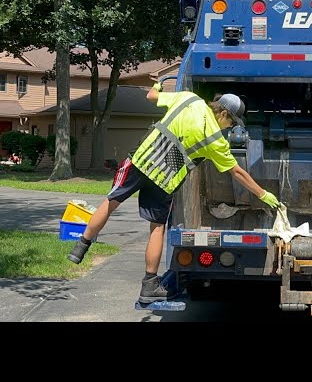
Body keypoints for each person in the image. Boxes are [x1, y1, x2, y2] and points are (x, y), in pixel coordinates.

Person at [67, 84, 280, 304]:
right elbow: (237, 172)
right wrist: (263, 194)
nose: (231, 127)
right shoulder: (215, 141)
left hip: (141, 160)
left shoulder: (189, 99)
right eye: (232, 122)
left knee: (111, 201)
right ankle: (149, 285)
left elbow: (151, 95)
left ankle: (81, 245)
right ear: (223, 113)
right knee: (157, 227)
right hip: (164, 180)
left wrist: (157, 84)